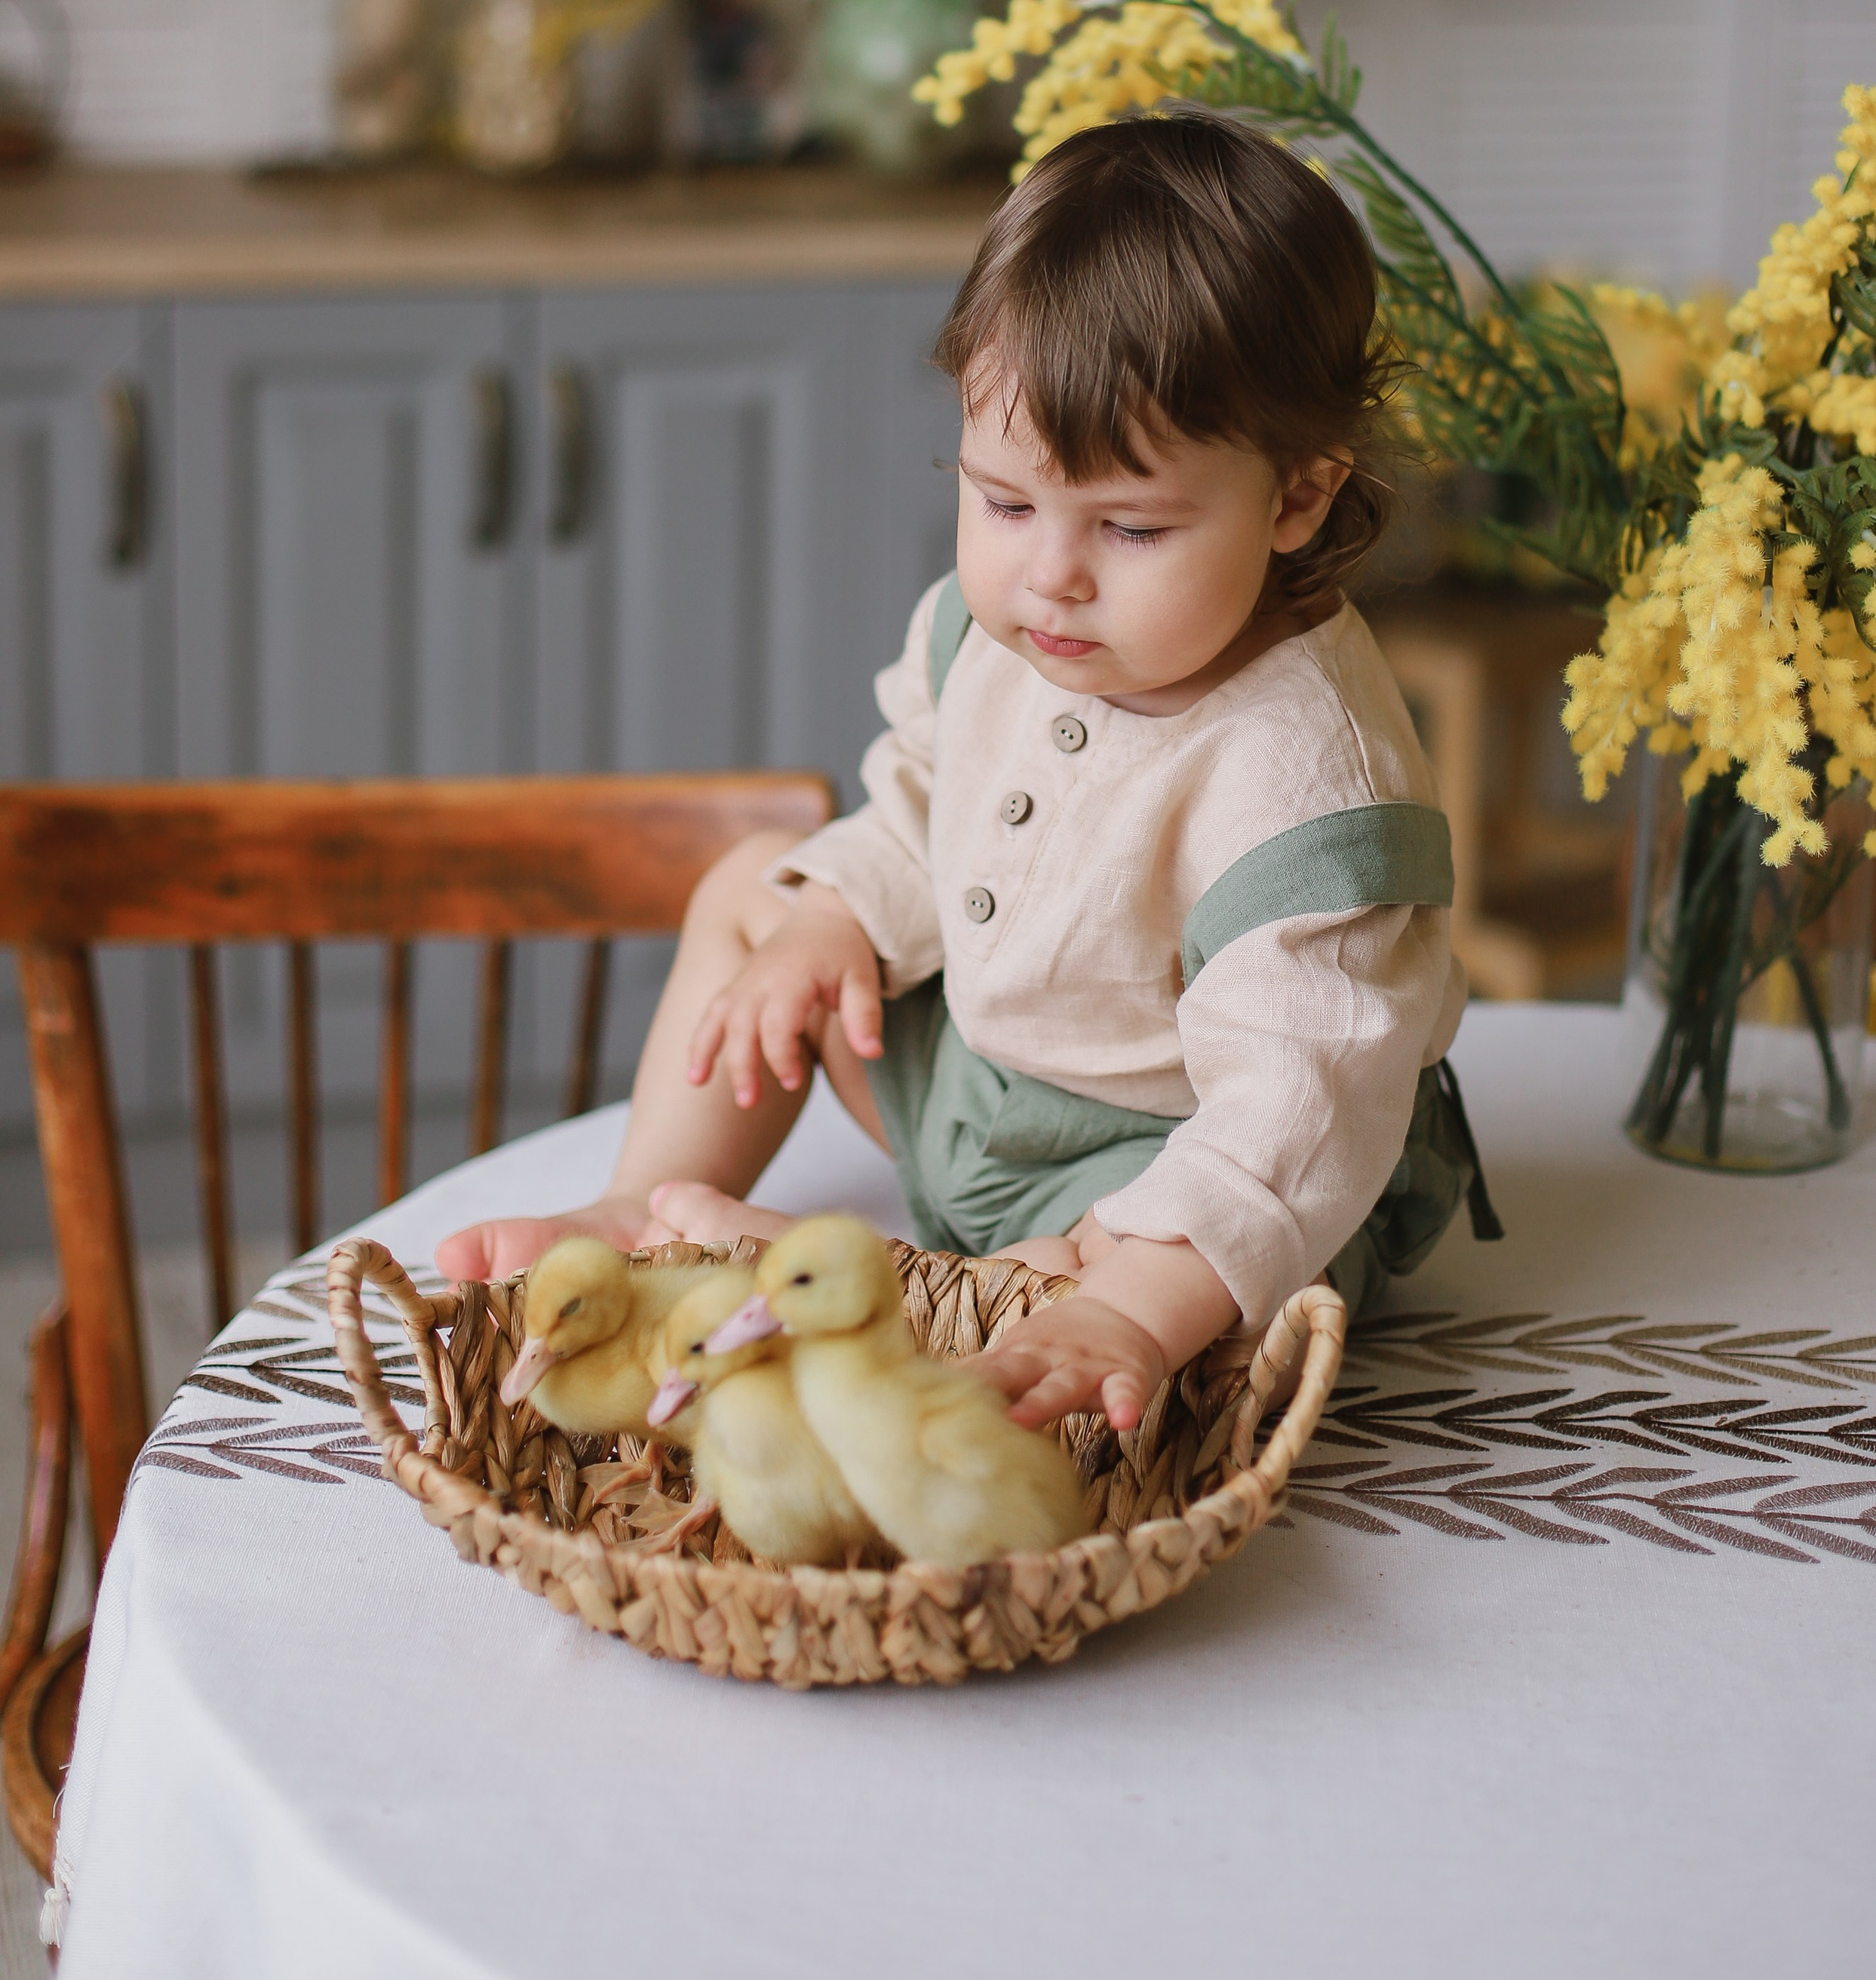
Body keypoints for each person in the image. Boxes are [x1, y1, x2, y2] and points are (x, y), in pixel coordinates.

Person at [437, 110, 1497, 1432]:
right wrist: (830, 922)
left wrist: (1129, 1304)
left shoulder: (1308, 775)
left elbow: (1302, 1105)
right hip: (967, 1094)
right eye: (1005, 501)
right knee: (753, 895)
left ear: (1298, 497)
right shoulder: (1003, 630)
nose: (1049, 573)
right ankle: (640, 1201)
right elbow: (925, 807)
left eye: (1130, 524)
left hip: (1151, 1155)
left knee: (1203, 1327)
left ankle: (943, 1298)